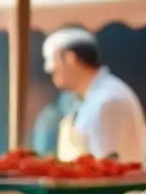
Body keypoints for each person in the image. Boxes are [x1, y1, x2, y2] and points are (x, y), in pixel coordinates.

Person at [43, 27, 146, 162]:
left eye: (54, 65)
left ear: (70, 58)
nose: (52, 73)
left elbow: (108, 169)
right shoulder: (86, 99)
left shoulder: (109, 100)